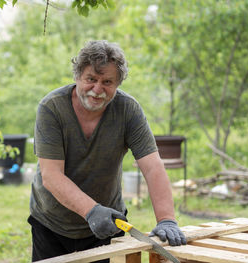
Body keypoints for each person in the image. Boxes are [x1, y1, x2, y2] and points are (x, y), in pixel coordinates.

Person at [28, 40, 186, 262]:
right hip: (53, 223)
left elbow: (152, 167)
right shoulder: (52, 108)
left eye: (107, 82)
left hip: (107, 224)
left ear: (118, 84)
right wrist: (91, 210)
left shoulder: (128, 110)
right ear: (77, 76)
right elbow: (51, 175)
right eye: (91, 79)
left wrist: (167, 219)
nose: (97, 89)